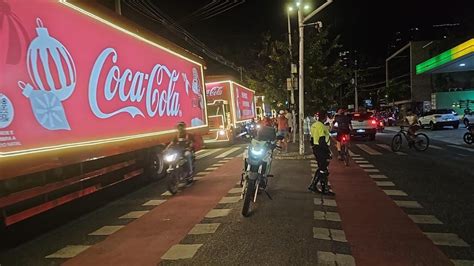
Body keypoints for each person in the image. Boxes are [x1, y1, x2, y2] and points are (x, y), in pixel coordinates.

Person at [308, 111, 334, 195]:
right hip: (322, 149)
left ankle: (316, 186)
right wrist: (328, 151)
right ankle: (321, 188)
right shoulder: (321, 126)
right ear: (324, 117)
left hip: (316, 148)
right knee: (323, 169)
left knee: (322, 168)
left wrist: (313, 147)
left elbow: (311, 139)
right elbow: (322, 140)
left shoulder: (314, 125)